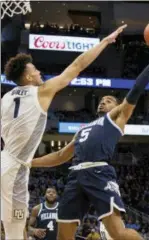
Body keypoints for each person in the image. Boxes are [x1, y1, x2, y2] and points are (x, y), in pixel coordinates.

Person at [31, 33, 149, 240]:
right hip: (75, 176)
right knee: (63, 237)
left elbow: (135, 90)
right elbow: (61, 155)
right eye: (101, 100)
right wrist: (29, 163)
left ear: (117, 107)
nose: (103, 102)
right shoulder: (83, 129)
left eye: (108, 100)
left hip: (99, 173)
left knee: (118, 233)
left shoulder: (116, 119)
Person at [1, 24, 127, 240]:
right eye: (35, 70)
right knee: (14, 234)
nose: (39, 71)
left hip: (5, 159)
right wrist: (105, 41)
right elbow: (77, 65)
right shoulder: (41, 91)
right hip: (14, 169)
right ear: (28, 77)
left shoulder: (6, 98)